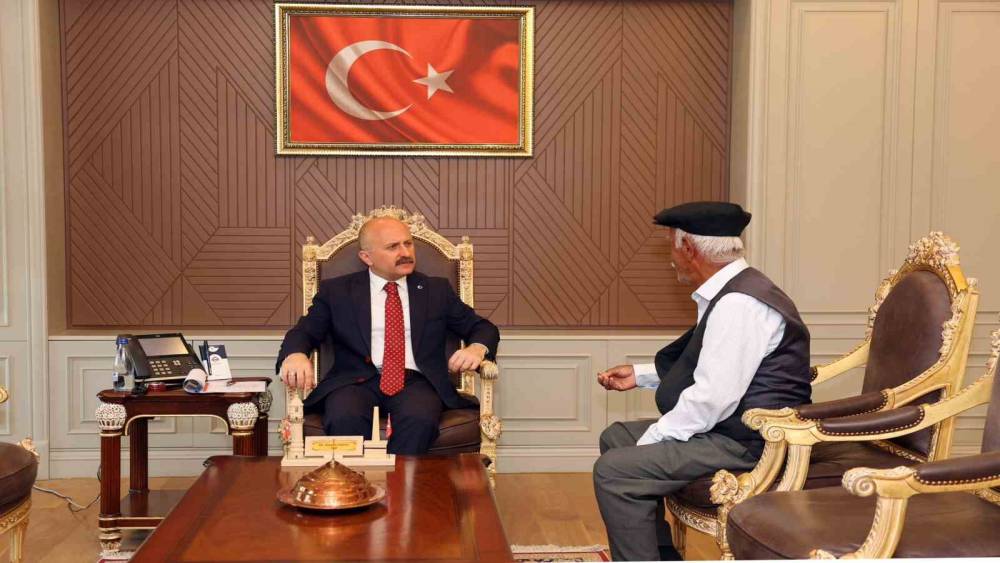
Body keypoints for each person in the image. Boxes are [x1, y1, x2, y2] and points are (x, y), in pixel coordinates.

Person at [593, 201, 811, 561]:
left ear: (689, 248)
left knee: (615, 471)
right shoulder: (734, 290)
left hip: (749, 441)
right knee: (617, 437)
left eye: (671, 246)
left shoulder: (739, 304)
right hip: (728, 428)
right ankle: (659, 555)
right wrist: (641, 375)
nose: (671, 259)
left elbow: (712, 398)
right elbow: (710, 364)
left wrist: (654, 438)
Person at [276, 217, 500, 454]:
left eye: (408, 243)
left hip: (416, 381)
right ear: (367, 257)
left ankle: (401, 479)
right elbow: (305, 331)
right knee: (344, 417)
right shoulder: (338, 291)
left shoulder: (435, 290)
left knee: (419, 420)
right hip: (353, 381)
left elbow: (483, 327)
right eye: (393, 247)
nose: (405, 252)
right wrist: (295, 354)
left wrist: (477, 348)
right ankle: (357, 479)